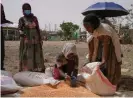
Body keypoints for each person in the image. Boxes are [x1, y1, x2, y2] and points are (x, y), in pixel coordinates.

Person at [83, 14, 122, 85]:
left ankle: (112, 82)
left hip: (111, 45)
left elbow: (105, 49)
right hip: (99, 43)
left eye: (88, 27)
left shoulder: (105, 31)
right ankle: (97, 80)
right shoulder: (89, 32)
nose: (86, 29)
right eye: (85, 27)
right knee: (93, 61)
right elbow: (91, 48)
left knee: (111, 63)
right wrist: (89, 61)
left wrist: (103, 62)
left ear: (94, 25)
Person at [18, 3, 45, 72]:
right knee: (27, 55)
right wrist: (23, 36)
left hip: (36, 40)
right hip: (27, 40)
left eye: (28, 9)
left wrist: (40, 38)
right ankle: (27, 70)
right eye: (26, 9)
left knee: (37, 54)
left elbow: (38, 28)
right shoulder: (21, 19)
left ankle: (37, 69)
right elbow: (20, 29)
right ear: (23, 10)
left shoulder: (34, 18)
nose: (27, 10)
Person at [1, 4, 13, 70]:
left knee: (1, 51)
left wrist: (9, 22)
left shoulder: (1, 6)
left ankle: (1, 67)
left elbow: (3, 19)